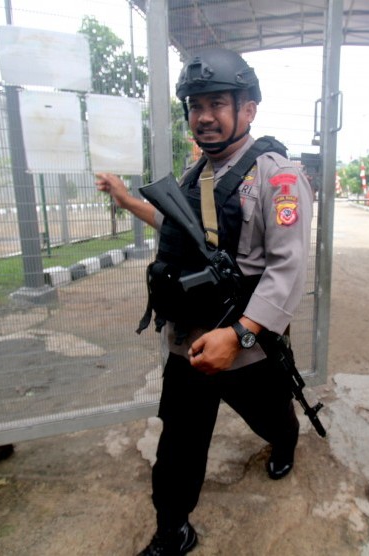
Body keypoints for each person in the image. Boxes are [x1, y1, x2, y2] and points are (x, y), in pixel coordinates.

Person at [96, 48, 313, 556]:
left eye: (217, 103)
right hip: (189, 343)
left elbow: (288, 268)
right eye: (195, 105)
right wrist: (130, 202)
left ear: (249, 108)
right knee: (178, 443)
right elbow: (186, 232)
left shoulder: (277, 178)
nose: (204, 116)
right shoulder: (196, 175)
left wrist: (239, 335)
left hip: (248, 344)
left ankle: (286, 441)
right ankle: (172, 528)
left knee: (270, 418)